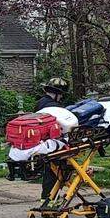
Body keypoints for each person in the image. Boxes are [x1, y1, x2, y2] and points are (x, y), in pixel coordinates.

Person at [34, 77, 67, 208]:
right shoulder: (56, 107)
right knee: (56, 169)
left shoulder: (40, 103)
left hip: (42, 142)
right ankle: (50, 199)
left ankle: (48, 198)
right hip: (54, 142)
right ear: (58, 93)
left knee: (50, 170)